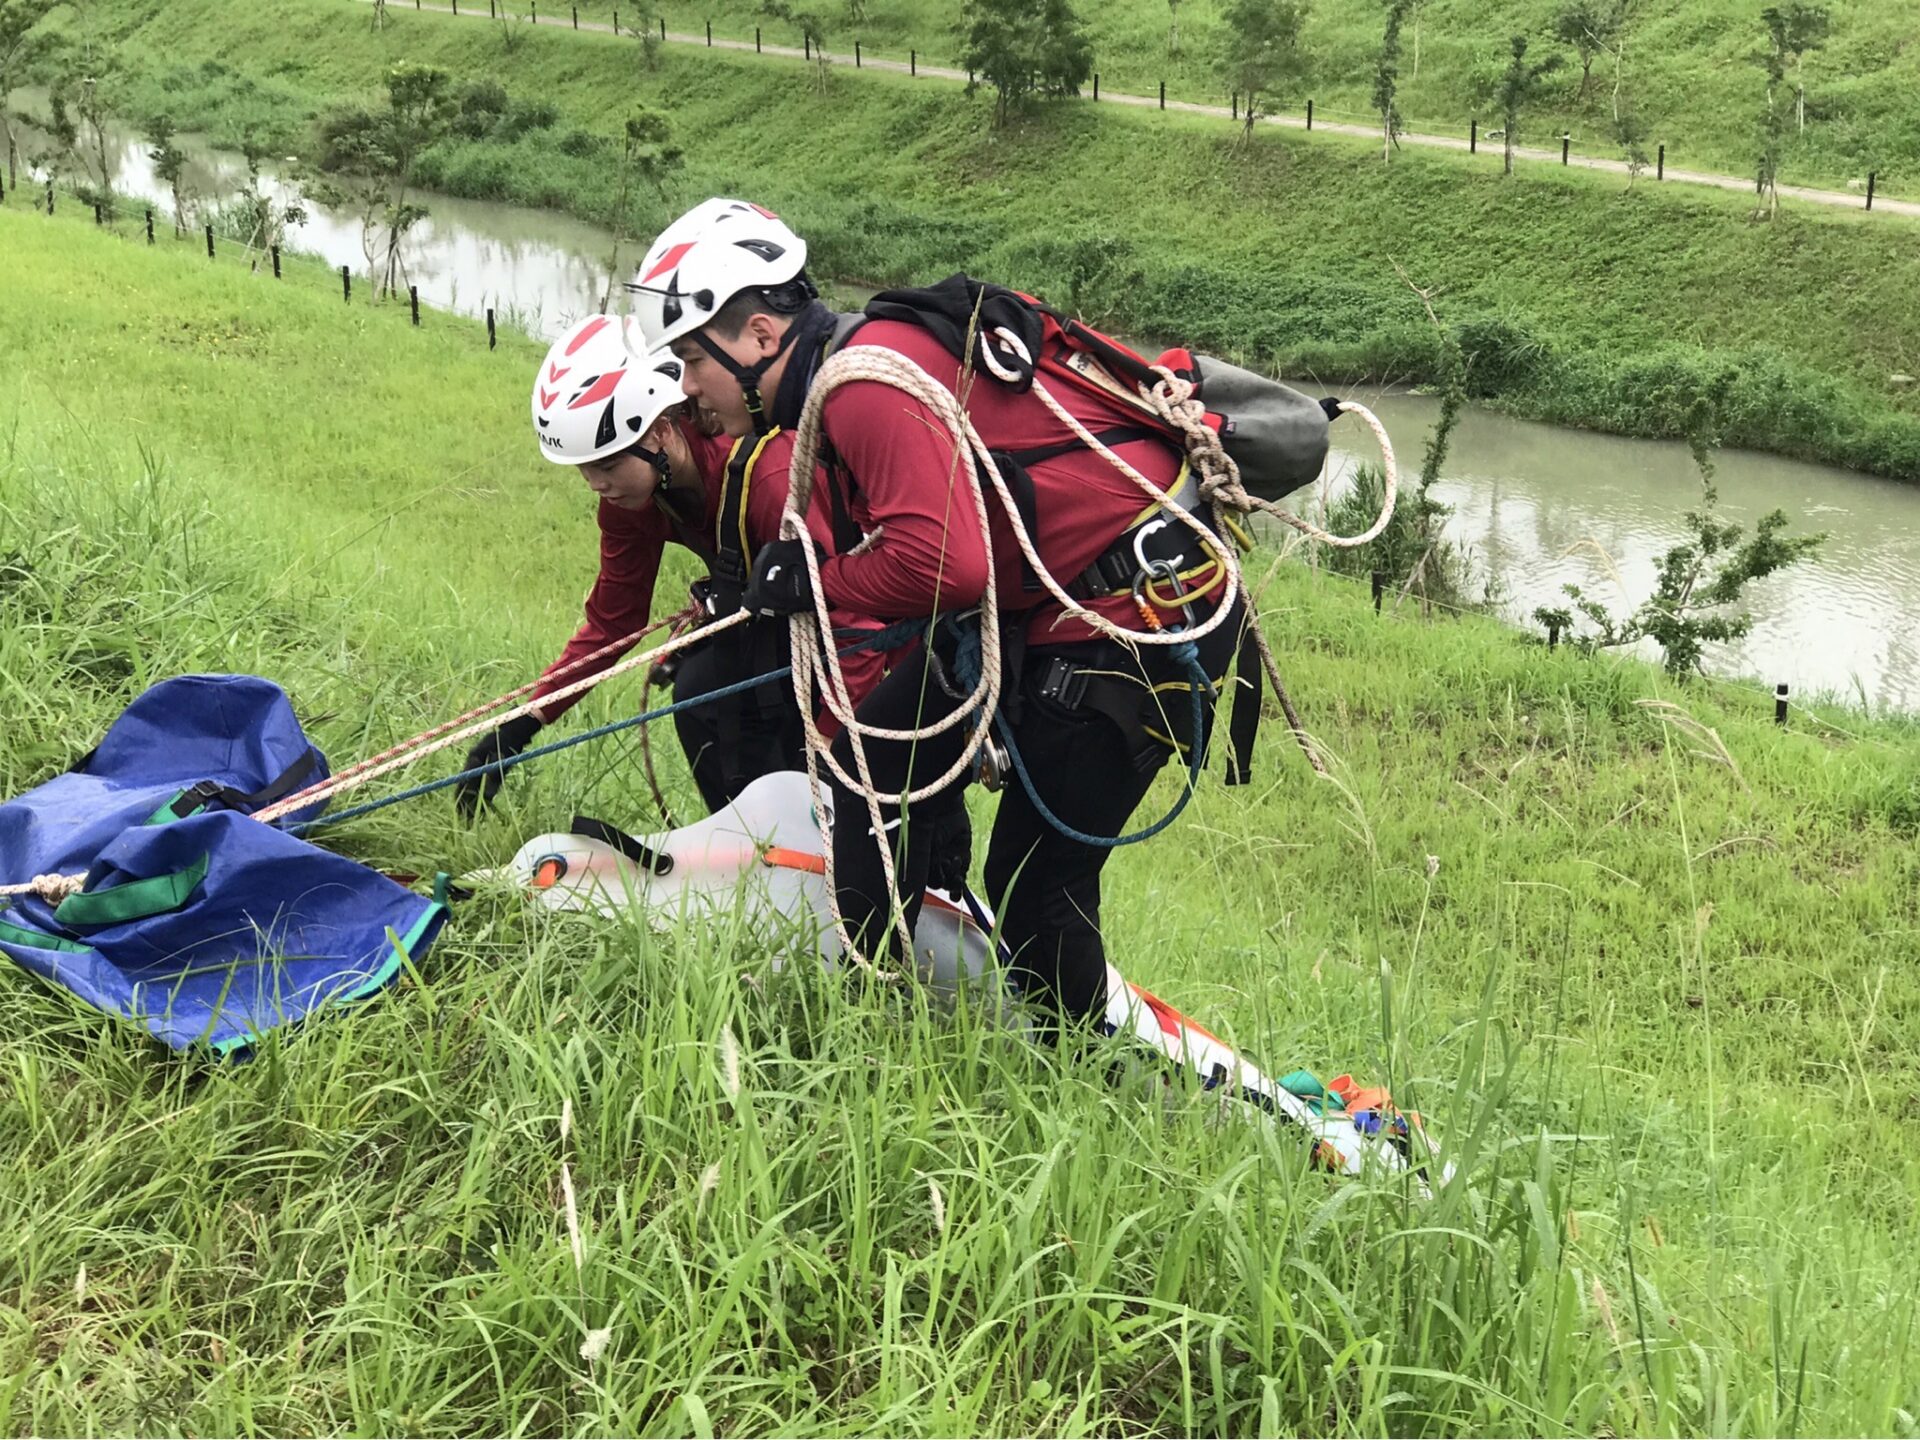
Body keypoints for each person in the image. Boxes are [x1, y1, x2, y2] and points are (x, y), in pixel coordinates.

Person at [631, 199, 1248, 1024]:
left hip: (1129, 622)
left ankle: (1078, 1079)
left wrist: (816, 584)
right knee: (877, 768)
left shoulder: (859, 383)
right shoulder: (853, 369)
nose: (686, 386)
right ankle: (872, 1009)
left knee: (1037, 890)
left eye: (689, 360)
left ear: (758, 338)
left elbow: (944, 565)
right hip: (1046, 606)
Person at [454, 312, 886, 818]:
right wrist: (522, 725)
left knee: (797, 749)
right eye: (584, 470)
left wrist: (831, 750)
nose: (597, 484)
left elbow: (859, 622)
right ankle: (747, 845)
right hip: (785, 627)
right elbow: (613, 622)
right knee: (701, 686)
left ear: (660, 431)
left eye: (608, 464)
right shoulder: (633, 500)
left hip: (874, 642)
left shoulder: (768, 478)